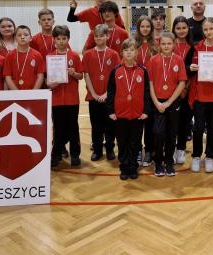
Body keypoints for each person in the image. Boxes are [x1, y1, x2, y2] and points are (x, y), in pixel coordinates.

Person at [106, 39, 151, 181]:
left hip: (138, 114)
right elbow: (110, 92)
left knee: (135, 142)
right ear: (121, 53)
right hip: (120, 114)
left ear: (137, 52)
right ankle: (124, 167)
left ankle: (133, 166)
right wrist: (111, 111)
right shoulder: (116, 70)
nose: (129, 53)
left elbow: (147, 92)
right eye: (126, 50)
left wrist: (146, 111)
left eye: (132, 50)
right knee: (122, 141)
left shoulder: (143, 71)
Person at [187, 17, 213, 173]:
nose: (208, 32)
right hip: (199, 95)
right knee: (198, 128)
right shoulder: (196, 48)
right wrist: (191, 68)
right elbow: (187, 67)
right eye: (205, 29)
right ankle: (196, 156)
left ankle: (210, 156)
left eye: (211, 29)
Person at [147, 32, 187, 177]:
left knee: (171, 134)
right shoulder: (153, 60)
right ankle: (158, 162)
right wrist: (156, 102)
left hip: (173, 101)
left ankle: (169, 162)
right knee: (158, 133)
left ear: (174, 44)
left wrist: (170, 101)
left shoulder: (178, 60)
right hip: (157, 102)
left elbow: (182, 82)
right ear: (159, 45)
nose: (166, 46)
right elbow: (150, 83)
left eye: (169, 43)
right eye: (163, 44)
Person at [82, 24, 121, 162]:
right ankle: (97, 150)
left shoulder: (114, 54)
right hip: (93, 97)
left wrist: (107, 94)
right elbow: (86, 75)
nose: (98, 38)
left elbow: (116, 76)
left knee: (110, 125)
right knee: (96, 126)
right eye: (96, 36)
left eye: (101, 36)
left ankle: (110, 149)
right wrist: (93, 93)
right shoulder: (88, 54)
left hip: (109, 97)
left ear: (107, 36)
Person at [46, 25, 83, 168]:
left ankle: (75, 155)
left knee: (73, 127)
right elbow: (47, 81)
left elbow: (80, 76)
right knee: (58, 128)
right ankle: (56, 155)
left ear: (68, 39)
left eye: (64, 38)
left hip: (72, 99)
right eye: (58, 39)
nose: (61, 41)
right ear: (54, 40)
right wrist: (51, 84)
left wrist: (74, 73)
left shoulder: (74, 56)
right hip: (56, 100)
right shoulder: (50, 57)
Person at [133, 15, 156, 166]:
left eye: (148, 26)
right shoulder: (133, 45)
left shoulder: (156, 45)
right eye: (143, 26)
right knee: (136, 121)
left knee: (149, 121)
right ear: (138, 28)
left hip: (151, 88)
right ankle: (137, 150)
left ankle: (148, 150)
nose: (145, 29)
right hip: (135, 88)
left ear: (151, 28)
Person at [172, 16, 194, 164]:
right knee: (172, 122)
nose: (181, 31)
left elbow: (193, 70)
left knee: (185, 121)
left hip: (188, 90)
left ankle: (181, 148)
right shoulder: (169, 45)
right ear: (174, 29)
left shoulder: (193, 47)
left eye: (184, 28)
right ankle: (171, 148)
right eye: (178, 28)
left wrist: (185, 87)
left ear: (188, 29)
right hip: (171, 91)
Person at [4, 25, 45, 90]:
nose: (22, 37)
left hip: (33, 92)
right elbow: (8, 77)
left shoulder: (37, 55)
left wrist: (34, 92)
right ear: (15, 38)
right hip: (15, 93)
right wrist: (16, 93)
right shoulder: (9, 56)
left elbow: (40, 76)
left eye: (26, 35)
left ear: (31, 38)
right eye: (19, 35)